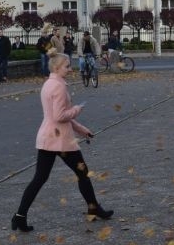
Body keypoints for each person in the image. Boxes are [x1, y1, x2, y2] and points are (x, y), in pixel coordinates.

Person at [11, 51, 113, 232]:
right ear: (57, 67)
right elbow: (60, 116)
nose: (70, 68)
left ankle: (19, 216)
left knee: (39, 179)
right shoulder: (58, 87)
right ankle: (93, 207)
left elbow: (54, 115)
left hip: (47, 138)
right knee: (83, 173)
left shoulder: (49, 84)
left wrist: (82, 130)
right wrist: (77, 109)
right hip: (60, 140)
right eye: (66, 66)